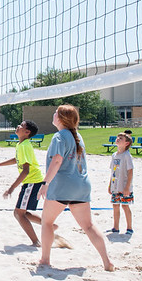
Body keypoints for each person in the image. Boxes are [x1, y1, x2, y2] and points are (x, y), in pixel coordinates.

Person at [38, 105, 114, 271]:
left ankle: (44, 260)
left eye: (56, 113)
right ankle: (107, 262)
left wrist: (45, 183)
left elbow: (57, 161)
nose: (53, 114)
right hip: (81, 185)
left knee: (47, 222)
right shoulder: (77, 135)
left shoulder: (59, 136)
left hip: (62, 185)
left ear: (60, 118)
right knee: (88, 226)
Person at [0, 120, 47, 246]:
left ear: (27, 132)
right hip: (32, 182)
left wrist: (11, 188)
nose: (18, 126)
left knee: (18, 213)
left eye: (21, 125)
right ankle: (49, 224)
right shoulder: (21, 144)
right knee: (21, 213)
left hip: (32, 182)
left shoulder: (25, 145)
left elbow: (25, 171)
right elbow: (17, 159)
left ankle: (36, 241)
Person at [107, 132, 134, 234]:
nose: (118, 139)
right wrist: (110, 185)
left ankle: (129, 228)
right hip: (115, 186)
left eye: (121, 138)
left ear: (126, 143)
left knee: (125, 206)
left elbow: (130, 171)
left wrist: (127, 187)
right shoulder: (114, 155)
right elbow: (112, 171)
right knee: (115, 205)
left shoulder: (127, 155)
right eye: (118, 137)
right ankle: (116, 227)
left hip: (124, 187)